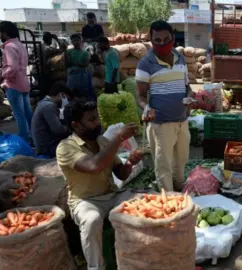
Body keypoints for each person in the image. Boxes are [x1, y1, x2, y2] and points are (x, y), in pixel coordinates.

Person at [56, 98, 142, 270]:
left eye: (97, 118)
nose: (98, 123)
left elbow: (121, 174)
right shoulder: (65, 147)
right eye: (91, 120)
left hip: (112, 195)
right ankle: (95, 267)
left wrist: (130, 163)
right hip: (86, 202)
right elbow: (93, 166)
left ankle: (139, 257)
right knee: (91, 220)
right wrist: (118, 138)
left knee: (145, 198)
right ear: (76, 125)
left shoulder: (102, 142)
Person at [136, 20, 193, 192]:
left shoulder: (180, 58)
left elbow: (187, 87)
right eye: (157, 40)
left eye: (166, 39)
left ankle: (179, 190)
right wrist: (146, 108)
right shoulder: (145, 64)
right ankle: (168, 200)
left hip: (182, 121)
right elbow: (140, 95)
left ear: (173, 38)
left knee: (181, 161)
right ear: (151, 40)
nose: (162, 43)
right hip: (161, 125)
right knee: (163, 166)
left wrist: (190, 98)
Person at [0, 21, 32, 143]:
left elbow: (12, 68)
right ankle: (34, 136)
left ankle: (24, 139)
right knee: (27, 113)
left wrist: (3, 75)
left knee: (19, 115)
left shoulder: (9, 47)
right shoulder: (20, 45)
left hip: (13, 85)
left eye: (0, 33)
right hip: (23, 83)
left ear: (5, 33)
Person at [31, 83, 72, 158]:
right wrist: (71, 129)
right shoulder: (49, 106)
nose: (67, 102)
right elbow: (58, 130)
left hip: (46, 145)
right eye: (67, 99)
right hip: (47, 148)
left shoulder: (44, 104)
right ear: (62, 95)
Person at [66, 34, 95, 100]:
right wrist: (77, 64)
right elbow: (66, 63)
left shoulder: (85, 53)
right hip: (71, 76)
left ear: (81, 41)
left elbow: (85, 64)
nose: (76, 42)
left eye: (77, 40)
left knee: (83, 96)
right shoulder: (68, 52)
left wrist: (72, 63)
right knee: (71, 95)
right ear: (72, 42)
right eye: (74, 40)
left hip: (82, 76)